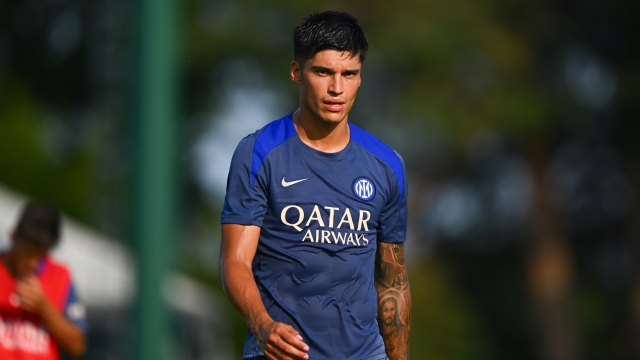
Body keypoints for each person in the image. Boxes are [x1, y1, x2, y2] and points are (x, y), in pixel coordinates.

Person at [220, 10, 411, 360]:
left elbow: (392, 284)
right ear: (297, 72)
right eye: (323, 72)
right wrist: (262, 325)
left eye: (348, 74)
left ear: (359, 78)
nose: (336, 87)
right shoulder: (259, 152)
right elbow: (234, 261)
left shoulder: (388, 165)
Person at [0, 201, 87, 359]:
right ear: (13, 236)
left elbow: (77, 345)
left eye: (41, 254)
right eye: (28, 252)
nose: (33, 262)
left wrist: (43, 308)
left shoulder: (59, 276)